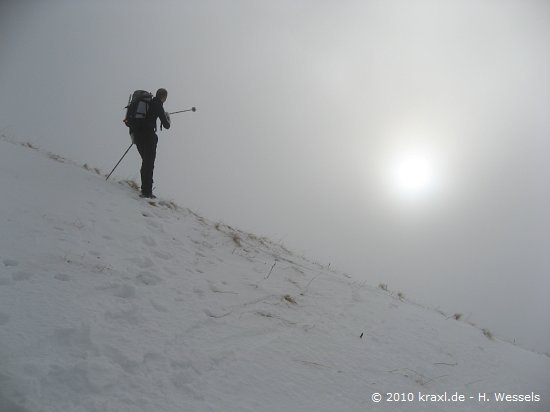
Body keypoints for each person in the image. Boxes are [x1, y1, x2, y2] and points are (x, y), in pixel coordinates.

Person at [131, 88, 171, 198]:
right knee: (149, 164)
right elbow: (167, 125)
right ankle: (146, 192)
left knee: (146, 162)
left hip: (138, 135)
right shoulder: (158, 104)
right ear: (164, 97)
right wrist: (167, 117)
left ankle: (146, 189)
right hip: (148, 136)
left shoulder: (148, 103)